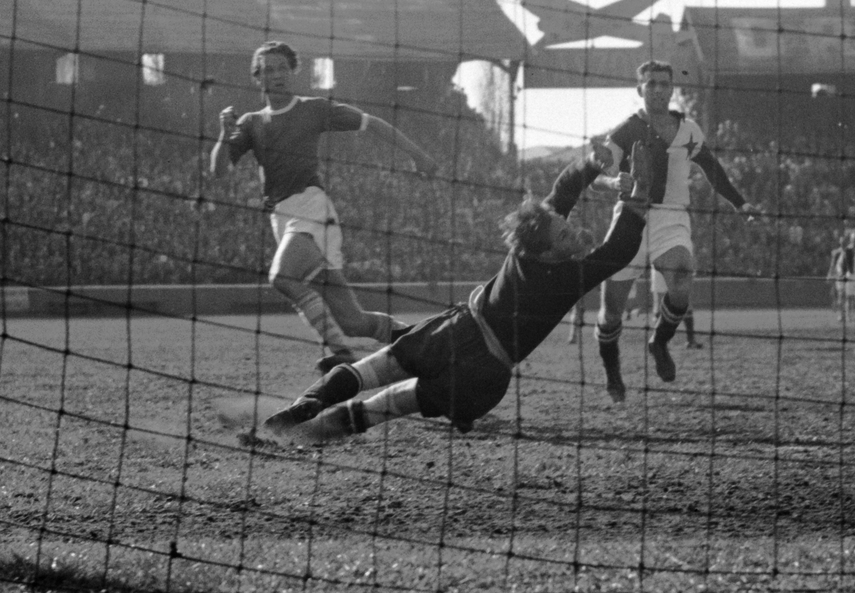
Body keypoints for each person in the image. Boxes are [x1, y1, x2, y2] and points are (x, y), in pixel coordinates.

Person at [241, 145, 653, 446]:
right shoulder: (570, 278)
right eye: (563, 232)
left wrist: (590, 165)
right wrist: (633, 204)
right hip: (485, 374)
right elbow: (617, 251)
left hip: (457, 332)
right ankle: (310, 431)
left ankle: (300, 412)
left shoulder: (526, 252)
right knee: (389, 404)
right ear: (548, 250)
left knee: (375, 373)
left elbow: (563, 193)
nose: (569, 228)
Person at [210, 41, 438, 365]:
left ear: (293, 72)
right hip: (281, 220)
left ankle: (341, 355)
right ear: (257, 78)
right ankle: (425, 343)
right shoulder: (250, 123)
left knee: (283, 278)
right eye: (269, 70)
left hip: (312, 209)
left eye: (283, 68)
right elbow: (218, 171)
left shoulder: (312, 108)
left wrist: (418, 155)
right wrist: (223, 134)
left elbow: (371, 122)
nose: (277, 75)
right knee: (353, 321)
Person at [590, 60, 760, 401]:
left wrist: (741, 204)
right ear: (640, 89)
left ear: (671, 89)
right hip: (630, 217)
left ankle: (660, 342)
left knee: (682, 278)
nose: (656, 89)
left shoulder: (690, 130)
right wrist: (612, 181)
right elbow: (594, 176)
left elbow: (713, 170)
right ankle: (613, 371)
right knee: (611, 312)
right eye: (650, 83)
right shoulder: (624, 131)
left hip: (672, 216)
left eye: (663, 83)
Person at [828, 226, 855, 326]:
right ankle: (848, 317)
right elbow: (843, 264)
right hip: (850, 276)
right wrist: (841, 274)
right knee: (848, 297)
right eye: (854, 239)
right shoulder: (848, 250)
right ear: (851, 240)